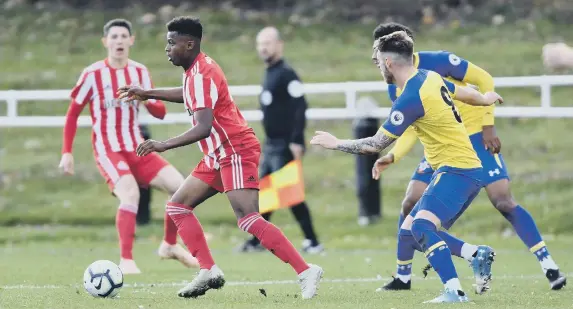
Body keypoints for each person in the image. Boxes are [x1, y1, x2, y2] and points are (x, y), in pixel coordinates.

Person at [117, 16, 323, 299]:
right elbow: (188, 95)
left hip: (235, 150)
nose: (166, 48)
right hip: (218, 153)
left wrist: (163, 144)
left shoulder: (201, 73)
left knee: (248, 218)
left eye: (171, 43)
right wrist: (147, 93)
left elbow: (202, 127)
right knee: (177, 206)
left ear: (189, 44)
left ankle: (305, 270)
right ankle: (208, 270)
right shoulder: (194, 70)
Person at [310, 30, 503, 303]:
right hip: (458, 169)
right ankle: (475, 254)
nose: (378, 67)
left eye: (377, 61)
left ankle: (454, 291)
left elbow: (376, 144)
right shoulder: (431, 77)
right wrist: (485, 98)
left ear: (389, 63)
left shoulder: (410, 98)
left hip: (458, 170)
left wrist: (335, 142)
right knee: (409, 230)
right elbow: (462, 93)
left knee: (422, 227)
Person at [371, 22, 566, 292]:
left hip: (473, 136)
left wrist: (488, 125)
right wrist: (393, 156)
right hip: (439, 147)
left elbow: (484, 80)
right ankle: (403, 276)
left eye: (379, 52)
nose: (376, 59)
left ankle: (549, 265)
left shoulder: (438, 61)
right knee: (410, 202)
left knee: (503, 200)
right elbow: (412, 127)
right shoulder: (396, 84)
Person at [58, 18, 199, 274]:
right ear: (106, 42)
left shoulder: (139, 72)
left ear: (131, 41)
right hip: (108, 149)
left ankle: (169, 245)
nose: (119, 41)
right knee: (130, 193)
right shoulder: (92, 74)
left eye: (124, 36)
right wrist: (67, 152)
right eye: (114, 37)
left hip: (137, 147)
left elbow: (160, 113)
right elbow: (72, 114)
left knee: (179, 188)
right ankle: (126, 261)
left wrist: (145, 98)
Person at [236, 26, 322, 254]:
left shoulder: (286, 73)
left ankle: (313, 241)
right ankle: (257, 241)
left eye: (268, 43)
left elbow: (300, 106)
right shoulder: (269, 72)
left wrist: (296, 140)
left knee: (290, 195)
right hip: (272, 144)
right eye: (260, 43)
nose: (263, 47)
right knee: (264, 193)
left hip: (284, 144)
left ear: (279, 45)